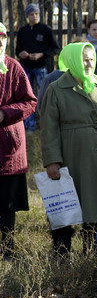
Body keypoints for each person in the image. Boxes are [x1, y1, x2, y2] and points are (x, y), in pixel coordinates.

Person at [40, 42, 97, 254]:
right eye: (84, 59)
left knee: (95, 205)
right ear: (73, 60)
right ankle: (61, 255)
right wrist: (52, 160)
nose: (89, 63)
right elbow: (49, 128)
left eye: (92, 59)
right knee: (65, 206)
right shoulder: (56, 89)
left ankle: (92, 253)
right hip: (70, 155)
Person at [0, 22, 37, 258]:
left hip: (7, 147)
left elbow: (30, 101)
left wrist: (5, 113)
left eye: (2, 38)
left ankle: (7, 250)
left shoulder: (13, 68)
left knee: (7, 205)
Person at [16, 3, 60, 131]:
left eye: (36, 14)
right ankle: (30, 125)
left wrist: (41, 54)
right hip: (26, 67)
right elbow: (18, 50)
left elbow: (55, 49)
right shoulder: (22, 31)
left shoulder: (46, 29)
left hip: (41, 68)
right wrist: (21, 54)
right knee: (27, 96)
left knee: (45, 95)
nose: (34, 16)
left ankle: (47, 123)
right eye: (31, 14)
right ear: (27, 16)